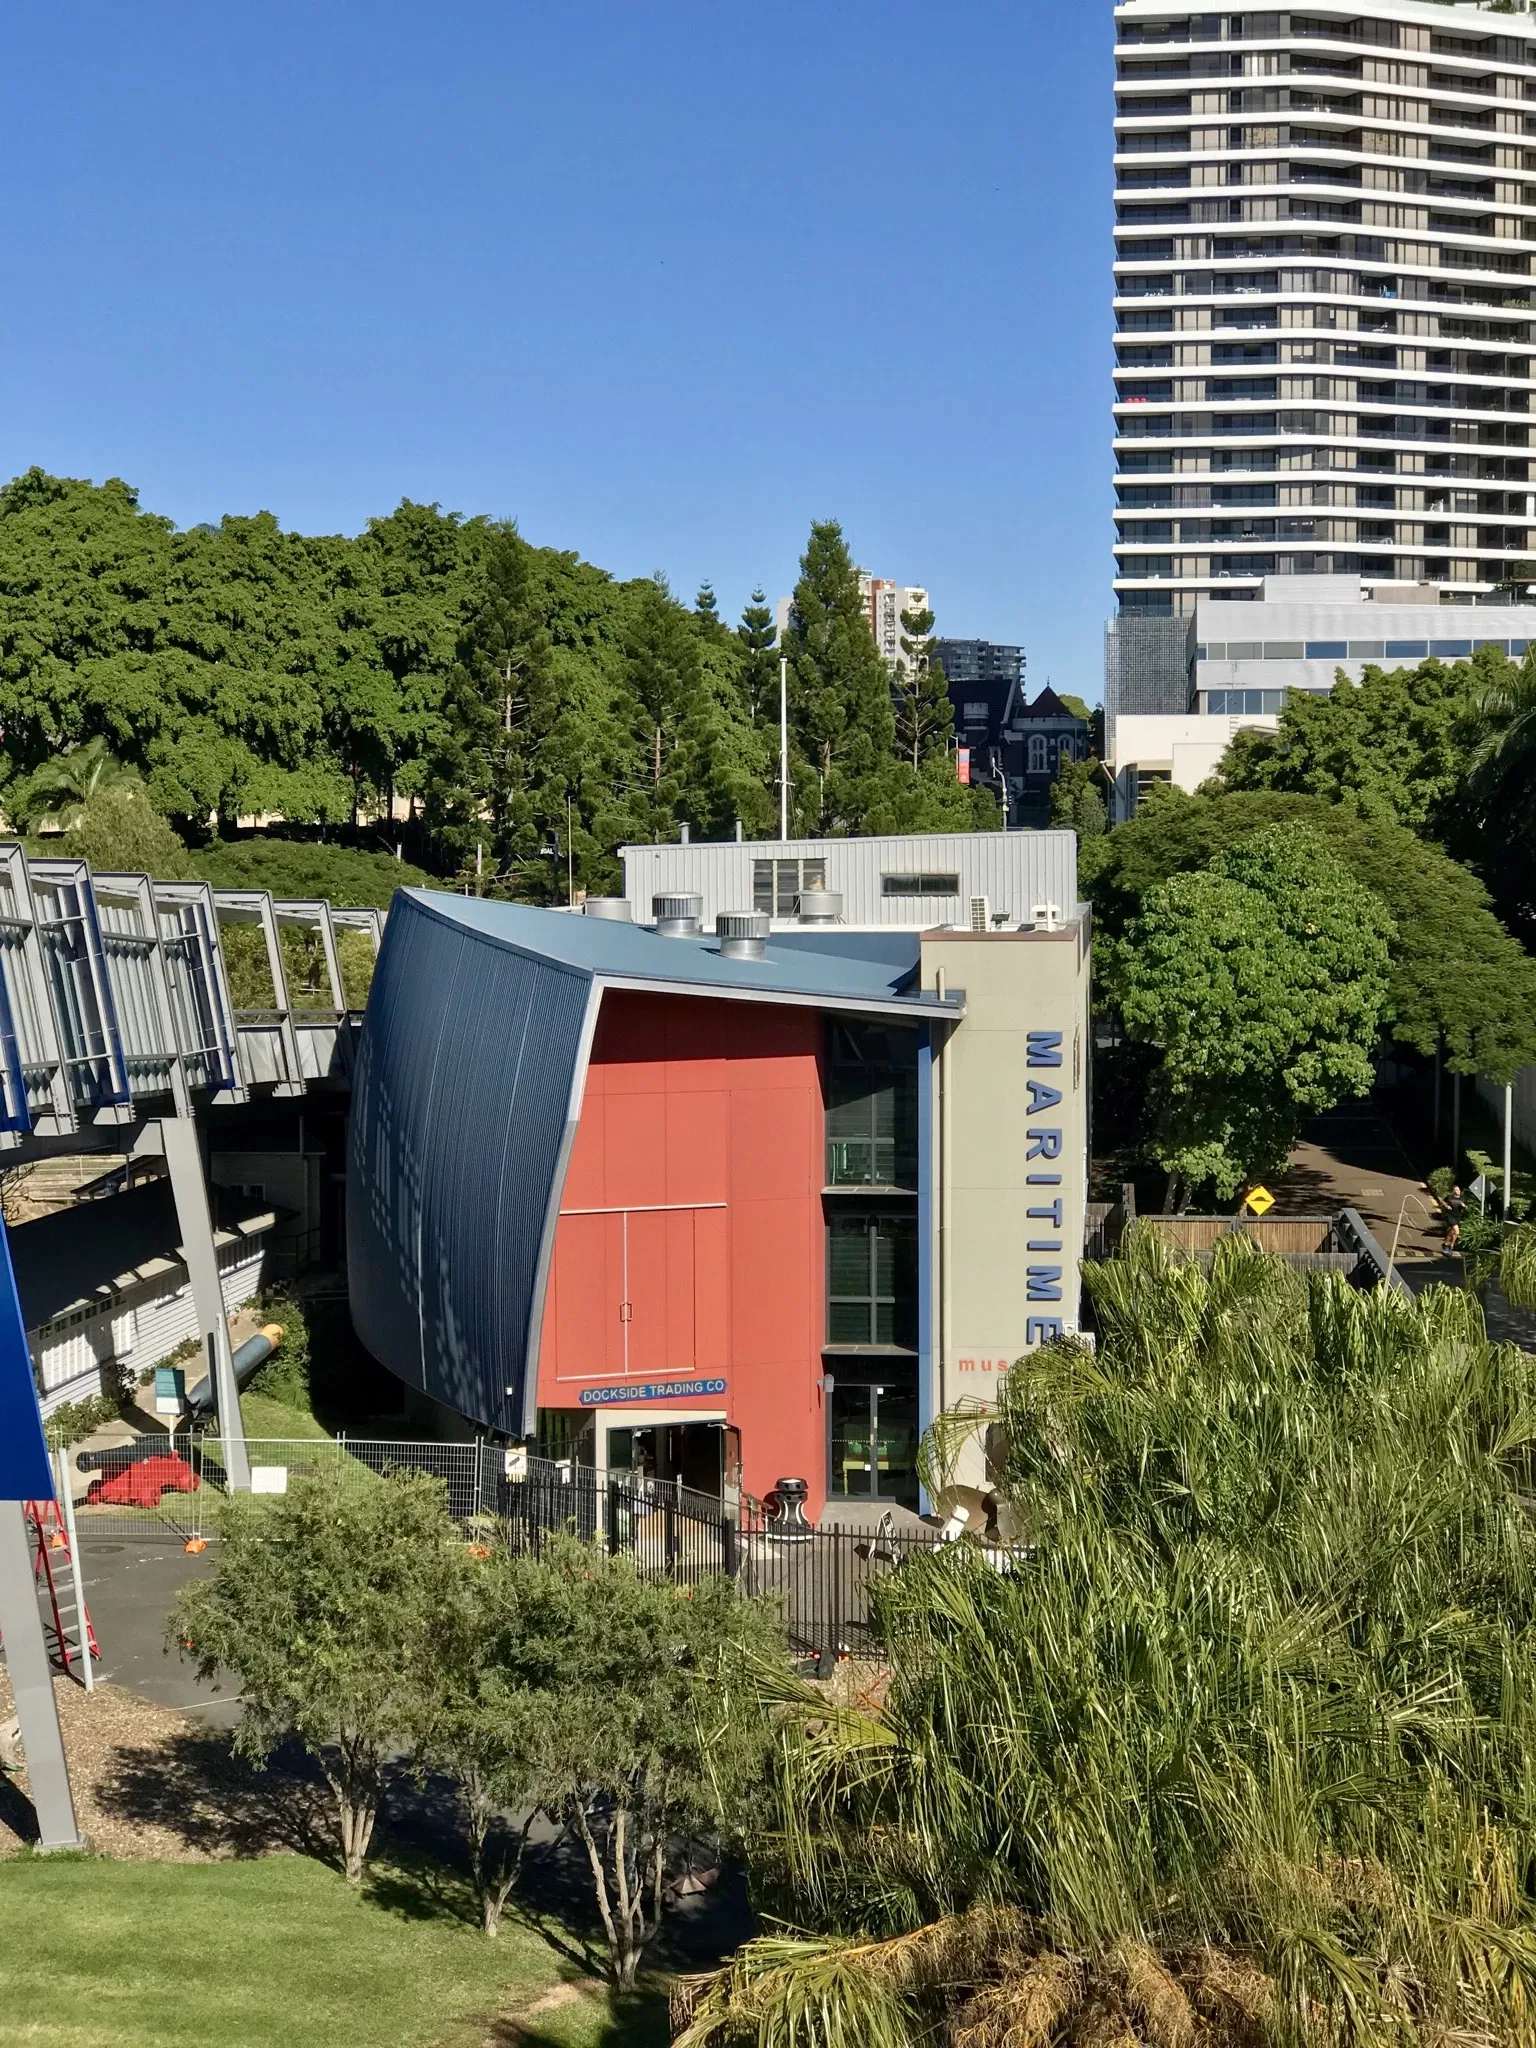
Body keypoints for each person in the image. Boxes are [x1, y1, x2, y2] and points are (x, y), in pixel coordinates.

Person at [1442, 1183, 1466, 1254]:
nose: (1457, 1191)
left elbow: (1466, 1208)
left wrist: (1464, 1206)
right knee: (1457, 1231)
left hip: (1457, 1216)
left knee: (1452, 1232)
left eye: (1458, 1189)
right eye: (1455, 1190)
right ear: (1453, 1191)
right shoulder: (1450, 1197)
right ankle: (1451, 1246)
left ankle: (1446, 1244)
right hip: (1449, 1215)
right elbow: (1444, 1202)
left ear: (1460, 1190)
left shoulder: (1463, 1198)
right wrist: (1447, 1206)